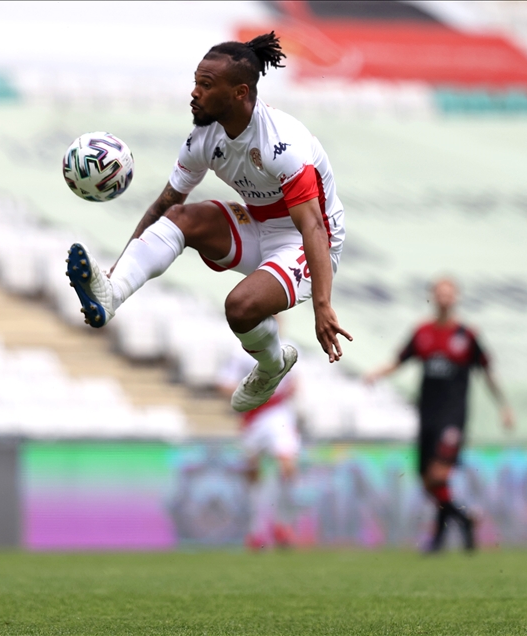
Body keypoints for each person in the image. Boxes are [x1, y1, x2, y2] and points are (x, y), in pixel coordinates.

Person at [65, 32, 351, 412]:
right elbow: (164, 206)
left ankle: (271, 366)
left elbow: (313, 226)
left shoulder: (283, 144)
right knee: (180, 216)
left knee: (240, 307)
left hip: (308, 241)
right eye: (195, 82)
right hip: (258, 223)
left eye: (206, 84)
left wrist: (322, 305)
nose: (194, 93)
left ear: (239, 93)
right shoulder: (204, 138)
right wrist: (116, 274)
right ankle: (113, 296)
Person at [365, 277, 514, 553]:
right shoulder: (422, 332)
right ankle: (464, 519)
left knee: (437, 476)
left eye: (449, 294)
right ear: (433, 297)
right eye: (440, 293)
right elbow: (399, 361)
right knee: (426, 480)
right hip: (428, 416)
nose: (445, 298)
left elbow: (487, 373)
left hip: (453, 417)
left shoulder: (467, 335)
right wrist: (376, 373)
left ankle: (439, 538)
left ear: (455, 298)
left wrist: (504, 407)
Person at [217, 324, 300, 550]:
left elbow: (295, 384)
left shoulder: (288, 347)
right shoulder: (241, 353)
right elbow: (224, 384)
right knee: (253, 473)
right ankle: (257, 531)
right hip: (253, 417)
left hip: (278, 413)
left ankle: (283, 525)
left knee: (287, 465)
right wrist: (250, 391)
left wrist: (285, 390)